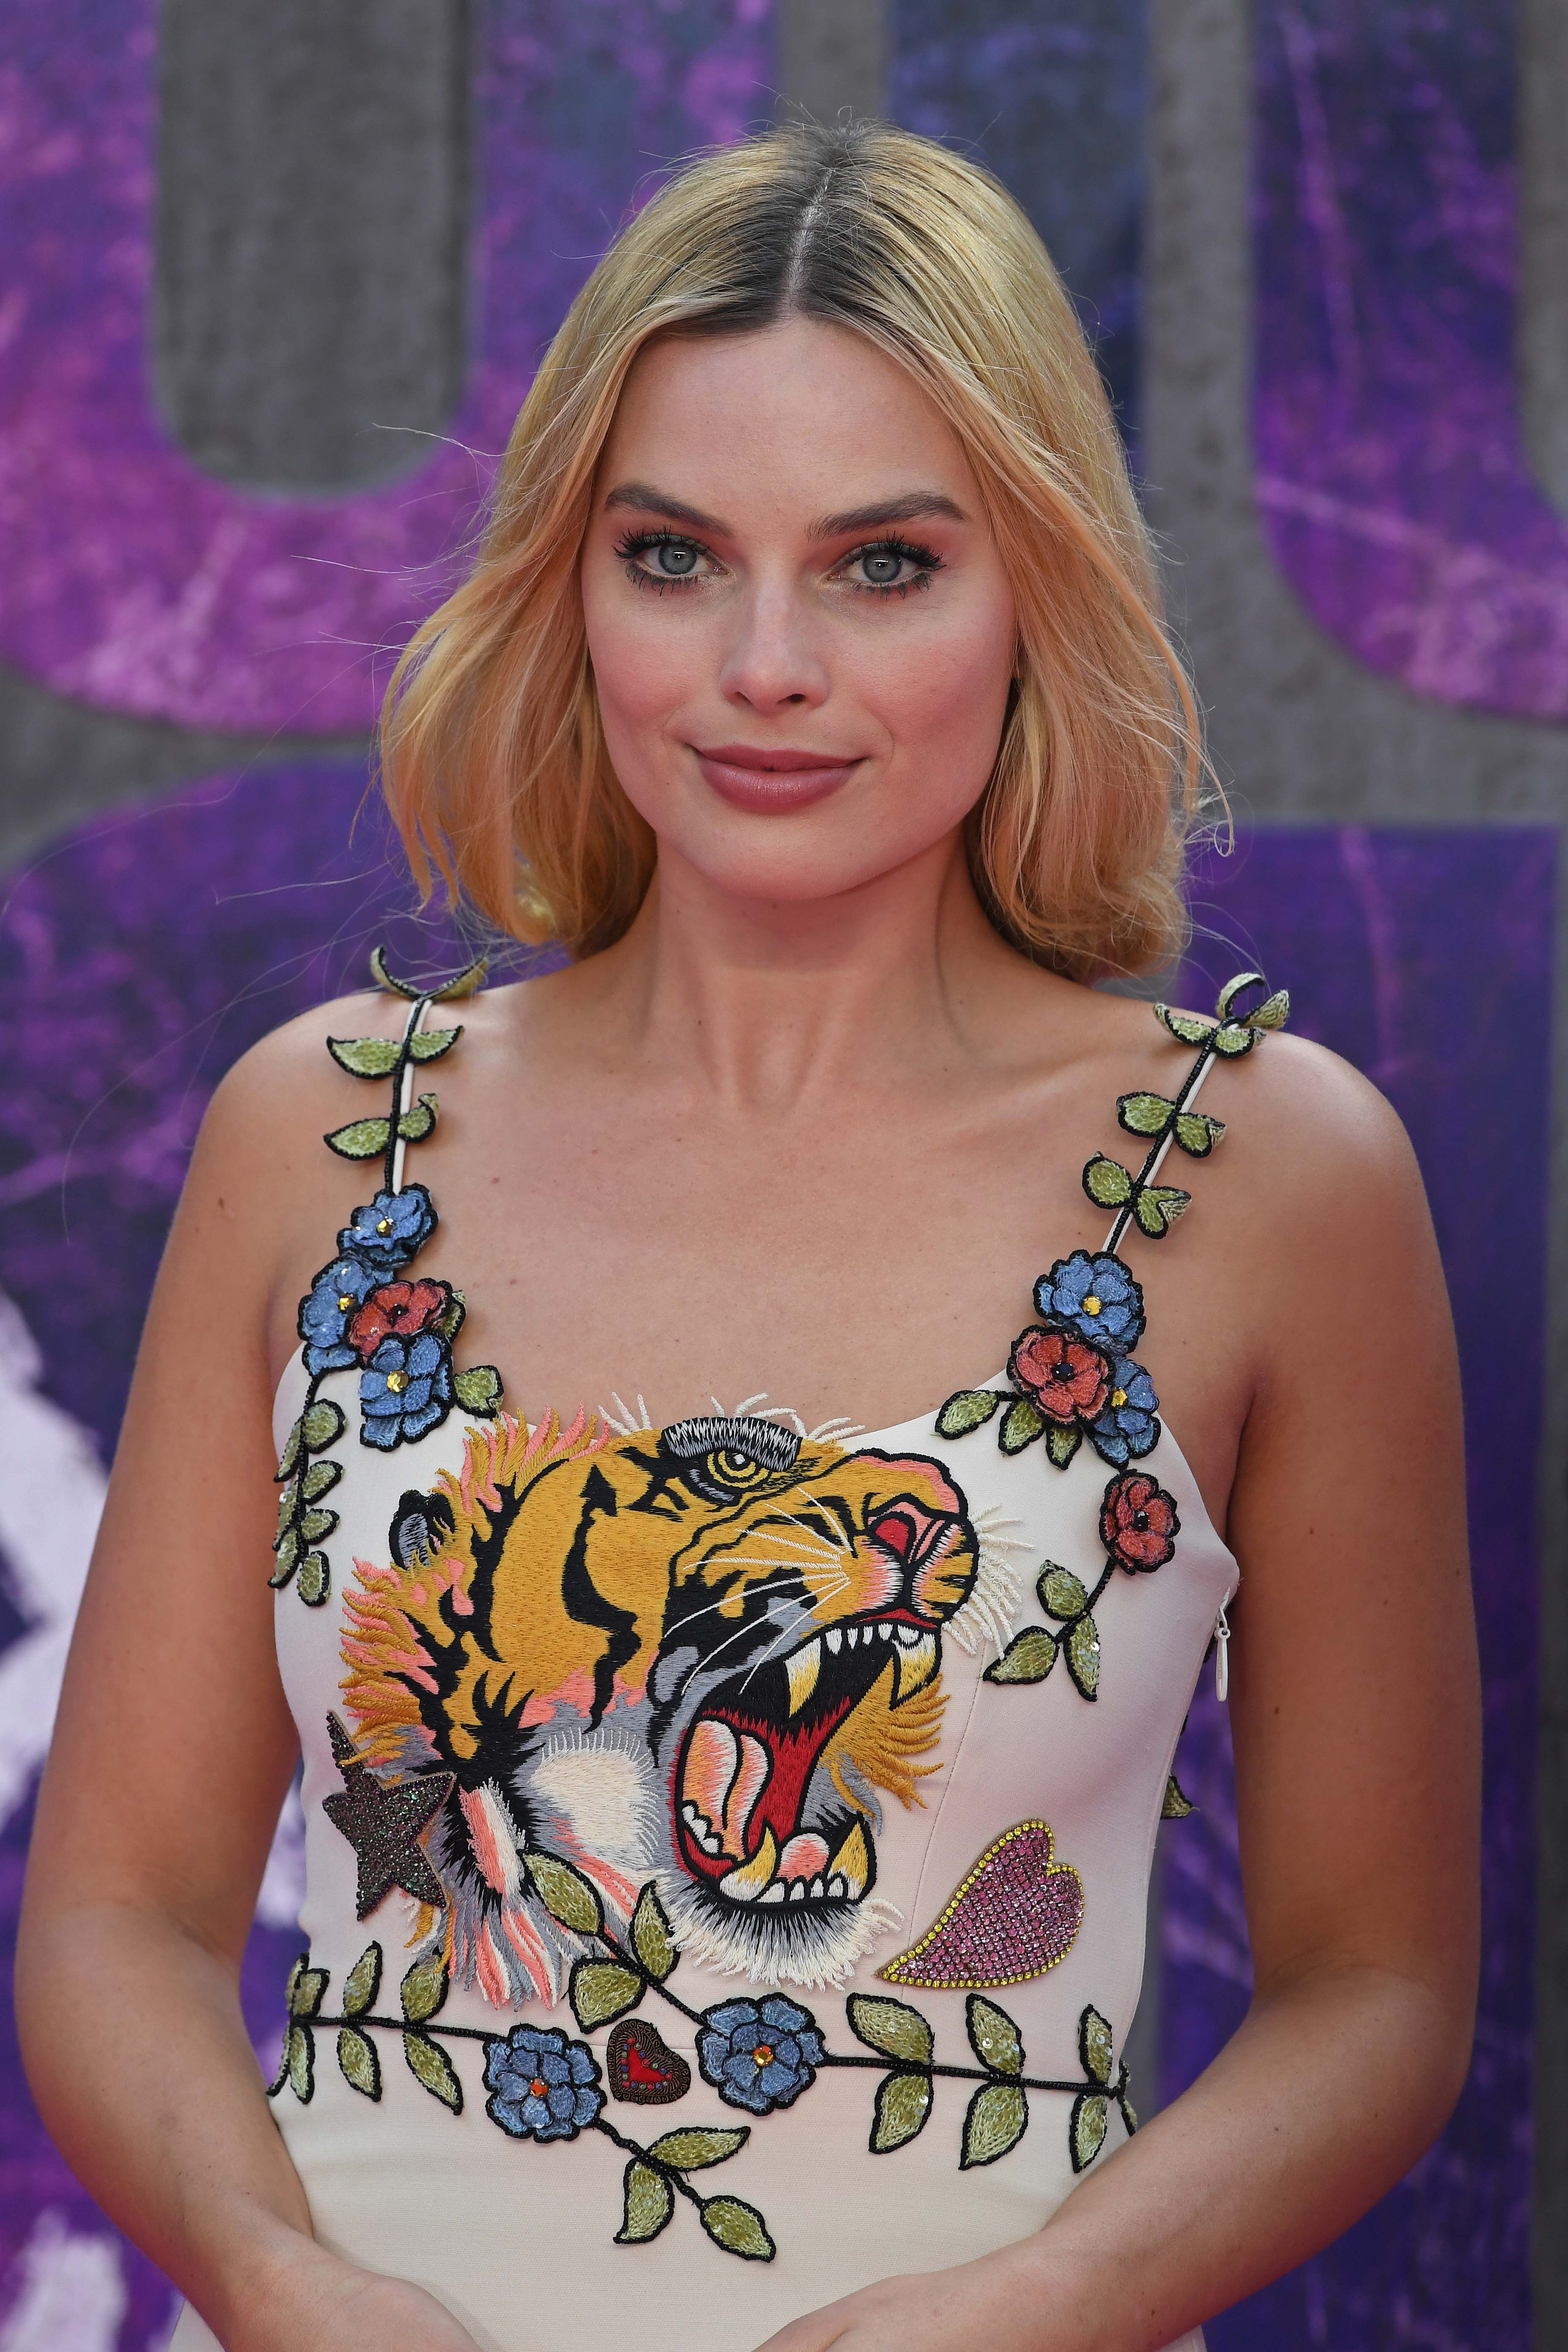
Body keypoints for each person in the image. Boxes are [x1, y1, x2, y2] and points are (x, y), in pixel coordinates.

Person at [17, 119, 1478, 2352]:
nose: (766, 662)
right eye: (676, 556)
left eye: (884, 564)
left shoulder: (1272, 1179)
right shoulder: (322, 1133)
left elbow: (1380, 1988)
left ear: (1038, 591)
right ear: (571, 585)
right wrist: (274, 2280)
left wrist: (1045, 2303)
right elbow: (117, 1909)